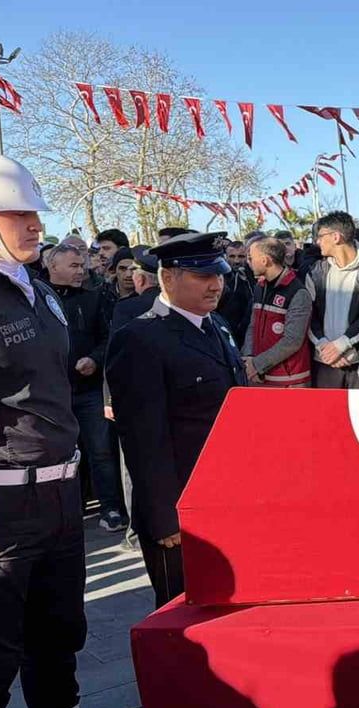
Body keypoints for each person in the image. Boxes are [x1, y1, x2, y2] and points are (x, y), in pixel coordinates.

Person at [0, 155, 86, 708]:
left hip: (60, 496)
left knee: (58, 644)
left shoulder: (37, 288)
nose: (35, 224)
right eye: (17, 213)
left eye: (34, 212)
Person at [106, 233, 247, 609]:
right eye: (203, 276)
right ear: (168, 279)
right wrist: (165, 514)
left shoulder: (217, 325)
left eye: (218, 274)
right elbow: (142, 437)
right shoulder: (140, 338)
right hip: (180, 508)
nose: (216, 284)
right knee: (184, 612)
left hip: (225, 495)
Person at [44, 245, 125, 533]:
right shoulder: (38, 297)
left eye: (83, 265)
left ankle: (111, 507)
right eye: (74, 265)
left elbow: (109, 338)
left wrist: (94, 358)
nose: (81, 270)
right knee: (60, 455)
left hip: (90, 391)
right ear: (53, 267)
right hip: (53, 394)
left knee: (100, 450)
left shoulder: (95, 298)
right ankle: (67, 512)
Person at [305, 211, 359, 390]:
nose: (317, 241)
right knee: (327, 417)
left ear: (336, 237)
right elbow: (308, 314)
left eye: (320, 236)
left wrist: (343, 344)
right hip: (324, 362)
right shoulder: (316, 272)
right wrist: (324, 346)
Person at [243, 236, 313, 387]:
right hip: (258, 375)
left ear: (265, 260)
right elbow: (252, 325)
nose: (249, 263)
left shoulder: (298, 292)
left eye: (251, 258)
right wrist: (248, 358)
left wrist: (257, 364)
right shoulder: (259, 287)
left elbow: (292, 341)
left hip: (289, 381)